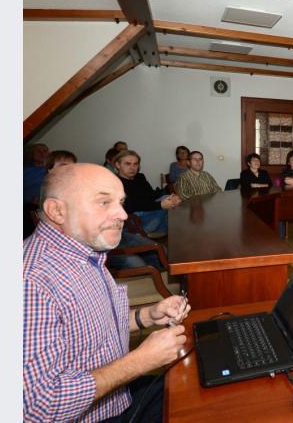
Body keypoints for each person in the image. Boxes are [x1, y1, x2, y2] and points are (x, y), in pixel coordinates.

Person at [24, 163, 190, 422]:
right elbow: (37, 408)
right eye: (104, 202)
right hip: (98, 416)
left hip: (117, 396)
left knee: (201, 384)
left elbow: (87, 331)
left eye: (121, 202)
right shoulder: (32, 282)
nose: (122, 214)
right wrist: (141, 361)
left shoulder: (85, 252)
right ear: (57, 210)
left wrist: (147, 316)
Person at [115, 150, 181, 235]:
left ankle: (162, 233)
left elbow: (151, 195)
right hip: (133, 217)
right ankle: (146, 233)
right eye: (128, 164)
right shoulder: (115, 182)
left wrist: (170, 192)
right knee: (167, 206)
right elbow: (130, 206)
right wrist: (160, 205)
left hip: (149, 211)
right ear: (118, 165)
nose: (132, 167)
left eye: (135, 164)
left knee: (170, 199)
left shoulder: (140, 177)